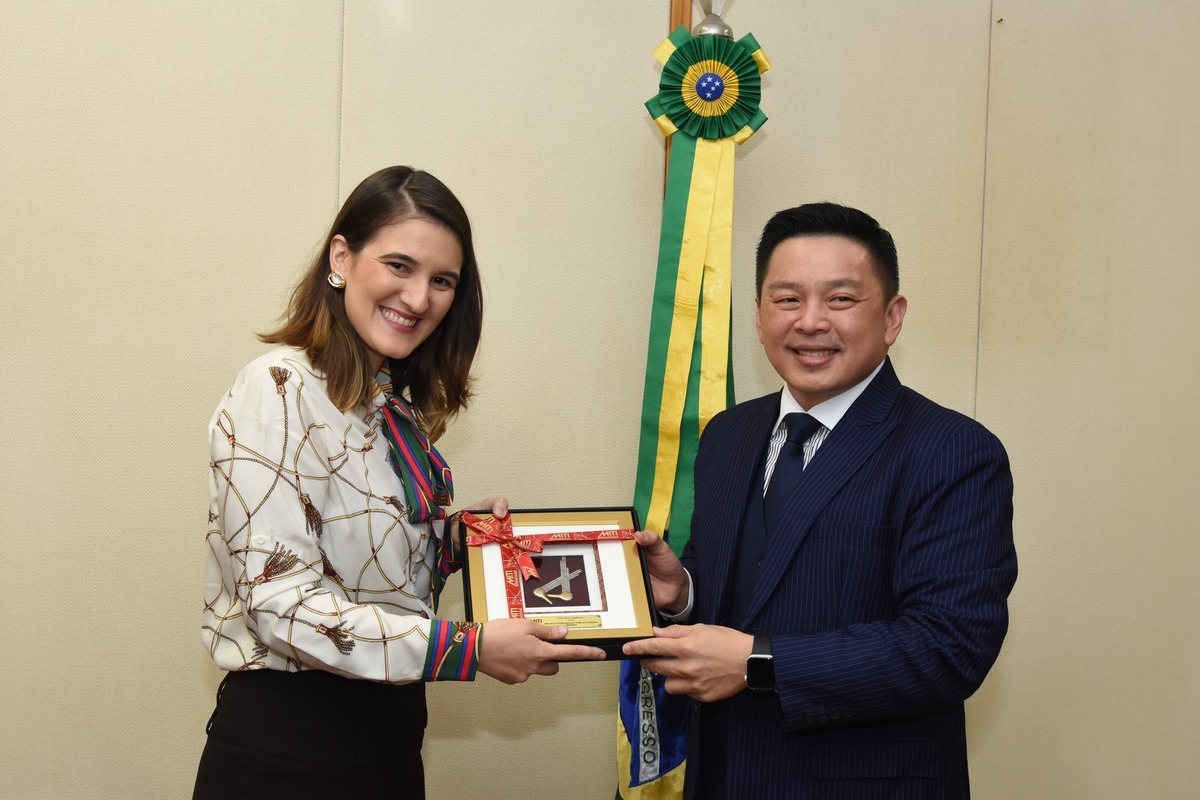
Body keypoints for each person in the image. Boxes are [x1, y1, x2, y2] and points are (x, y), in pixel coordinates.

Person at [194, 166, 605, 799]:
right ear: (342, 256)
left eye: (443, 281)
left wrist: (459, 543)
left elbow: (371, 577)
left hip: (386, 745)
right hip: (290, 755)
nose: (419, 299)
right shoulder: (277, 387)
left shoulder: (386, 404)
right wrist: (467, 650)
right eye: (399, 266)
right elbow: (282, 608)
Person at [624, 202, 1017, 799]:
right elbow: (747, 589)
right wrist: (683, 595)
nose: (810, 322)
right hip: (723, 776)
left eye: (840, 299)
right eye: (787, 300)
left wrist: (756, 662)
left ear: (892, 317)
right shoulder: (729, 436)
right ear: (757, 317)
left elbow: (949, 646)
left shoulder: (953, 450)